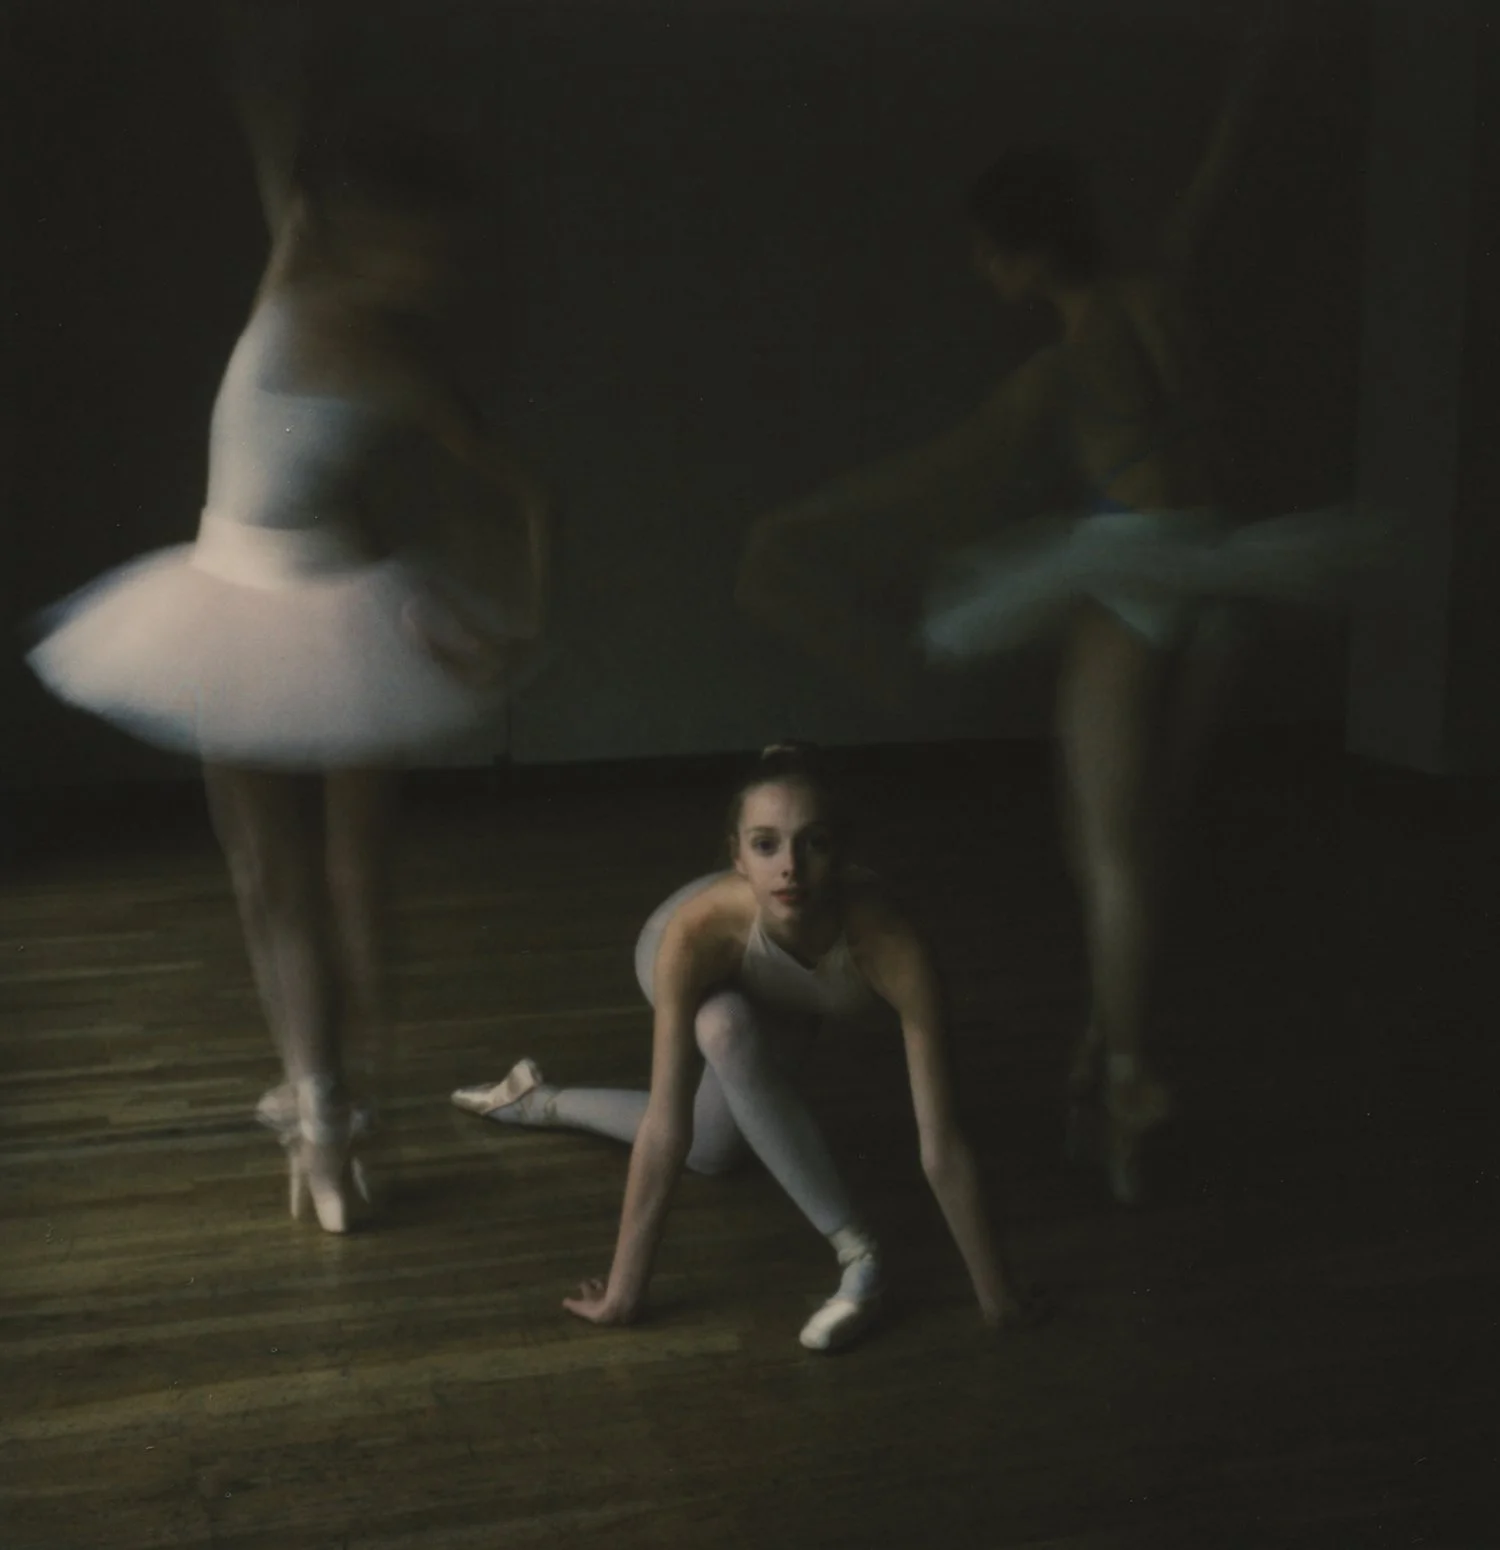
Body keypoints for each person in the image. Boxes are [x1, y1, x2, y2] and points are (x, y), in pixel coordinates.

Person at [736, 21, 1390, 1205]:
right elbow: (1215, 180)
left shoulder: (1063, 362)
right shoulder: (1159, 291)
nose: (981, 272)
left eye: (986, 253)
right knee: (1151, 841)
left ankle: (1130, 1076)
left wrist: (797, 526)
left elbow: (933, 478)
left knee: (1108, 857)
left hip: (1135, 581)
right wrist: (1252, 74)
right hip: (1221, 576)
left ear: (1022, 252)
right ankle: (1103, 1062)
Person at [26, 4, 550, 1232]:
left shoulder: (383, 349)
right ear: (365, 233)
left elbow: (521, 489)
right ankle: (325, 1106)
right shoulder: (303, 267)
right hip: (268, 600)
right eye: (410, 247)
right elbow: (283, 149)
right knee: (283, 876)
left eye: (429, 255)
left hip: (315, 605)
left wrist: (519, 615)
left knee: (332, 880)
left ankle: (346, 1109)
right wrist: (276, 83)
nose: (421, 272)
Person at [453, 744, 1040, 1350]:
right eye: (765, 845)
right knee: (724, 1030)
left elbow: (941, 1144)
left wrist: (997, 1296)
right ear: (736, 856)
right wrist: (624, 1293)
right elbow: (664, 1124)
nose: (789, 868)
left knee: (712, 1149)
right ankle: (858, 1251)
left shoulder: (894, 947)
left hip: (786, 985)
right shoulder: (694, 932)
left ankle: (539, 1100)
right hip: (701, 951)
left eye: (813, 844)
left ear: (842, 854)